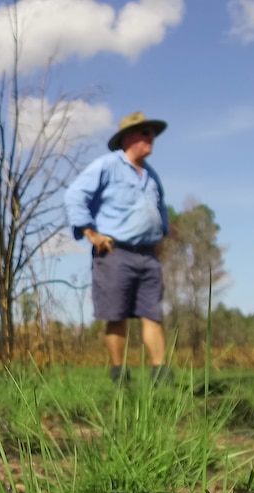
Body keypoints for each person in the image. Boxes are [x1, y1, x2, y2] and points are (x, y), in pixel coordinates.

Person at [64, 111, 173, 384]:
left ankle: (161, 375)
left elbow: (160, 210)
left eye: (152, 133)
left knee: (153, 314)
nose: (151, 138)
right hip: (115, 253)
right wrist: (90, 232)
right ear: (128, 138)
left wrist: (161, 237)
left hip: (148, 257)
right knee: (116, 314)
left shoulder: (151, 175)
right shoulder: (107, 165)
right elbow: (75, 195)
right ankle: (119, 374)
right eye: (144, 133)